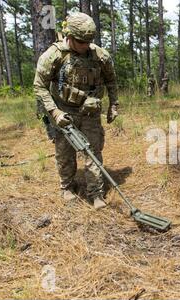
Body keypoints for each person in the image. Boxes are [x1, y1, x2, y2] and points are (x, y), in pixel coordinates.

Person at [33, 12, 119, 210]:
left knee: (93, 151)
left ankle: (95, 193)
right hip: (64, 110)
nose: (85, 46)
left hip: (90, 111)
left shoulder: (100, 56)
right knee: (65, 152)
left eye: (88, 41)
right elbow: (39, 86)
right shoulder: (54, 55)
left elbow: (111, 81)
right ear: (69, 36)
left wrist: (114, 105)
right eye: (81, 41)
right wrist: (54, 112)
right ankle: (67, 187)